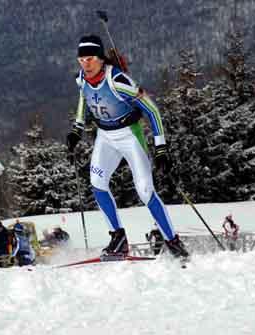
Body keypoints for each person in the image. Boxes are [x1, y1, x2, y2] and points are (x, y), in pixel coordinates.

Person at [67, 35, 189, 259]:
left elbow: (152, 109)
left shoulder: (118, 80)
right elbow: (85, 99)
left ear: (101, 59)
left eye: (91, 59)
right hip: (105, 136)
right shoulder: (82, 79)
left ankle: (173, 241)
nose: (86, 64)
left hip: (130, 136)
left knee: (144, 191)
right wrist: (77, 128)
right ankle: (118, 238)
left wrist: (161, 147)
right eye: (81, 60)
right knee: (97, 183)